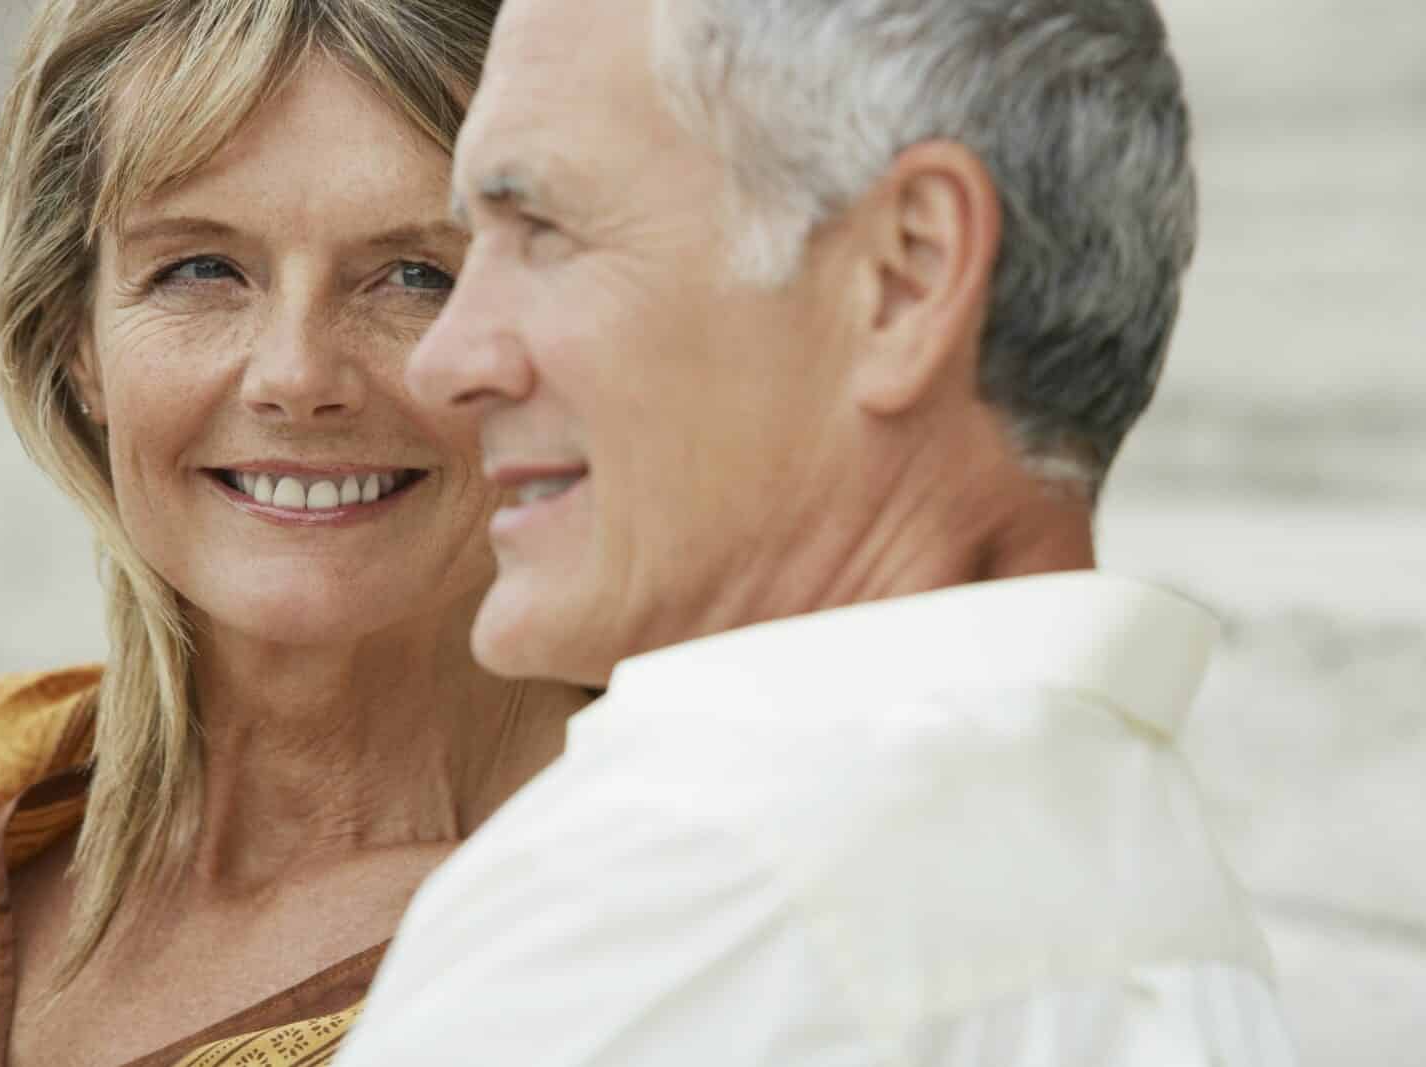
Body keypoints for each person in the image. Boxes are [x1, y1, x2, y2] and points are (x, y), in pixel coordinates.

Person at [336, 0, 1298, 1064]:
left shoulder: (679, 894)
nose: (446, 360)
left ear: (904, 277)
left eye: (545, 231)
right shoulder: (1161, 913)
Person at [0, 2, 590, 1065]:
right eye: (202, 269)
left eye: (418, 276)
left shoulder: (660, 913)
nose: (297, 376)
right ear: (76, 338)